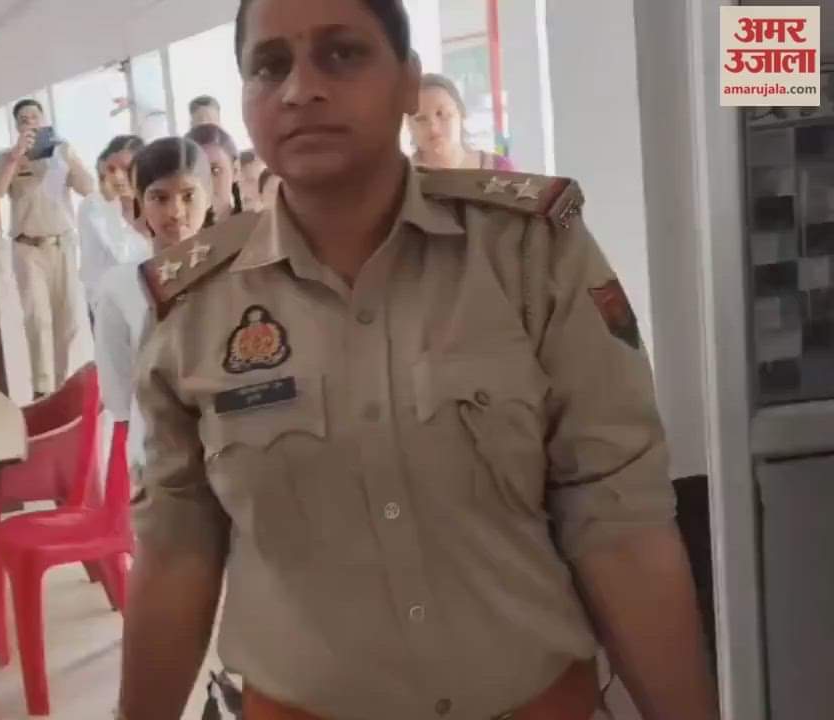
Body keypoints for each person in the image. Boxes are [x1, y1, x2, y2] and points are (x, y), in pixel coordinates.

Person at [118, 1, 720, 719]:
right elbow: (176, 553)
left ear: (408, 82)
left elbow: (619, 521)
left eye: (341, 54)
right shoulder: (194, 306)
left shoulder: (528, 255)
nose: (300, 88)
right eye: (269, 66)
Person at [94, 138, 215, 487]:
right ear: (140, 202)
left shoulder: (239, 273)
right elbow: (118, 395)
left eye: (189, 195)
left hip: (236, 449)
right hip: (158, 459)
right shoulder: (120, 286)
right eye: (159, 198)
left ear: (209, 195)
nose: (176, 212)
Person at [0, 98, 95, 398]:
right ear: (17, 126)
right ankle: (42, 390)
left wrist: (70, 157)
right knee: (38, 320)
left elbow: (88, 189)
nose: (30, 122)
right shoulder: (6, 158)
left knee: (68, 320)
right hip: (27, 248)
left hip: (62, 245)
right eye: (23, 119)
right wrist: (15, 158)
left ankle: (62, 386)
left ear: (45, 120)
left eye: (35, 117)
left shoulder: (61, 154)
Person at [78, 134, 151, 312]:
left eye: (126, 169)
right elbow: (121, 255)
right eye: (111, 169)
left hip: (152, 300)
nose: (118, 177)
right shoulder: (94, 206)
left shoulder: (155, 202)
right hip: (108, 305)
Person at [410, 72, 514, 171]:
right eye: (420, 118)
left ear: (461, 113)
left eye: (441, 113)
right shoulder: (399, 179)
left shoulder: (500, 170)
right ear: (409, 126)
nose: (433, 126)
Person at [186, 123, 243, 224]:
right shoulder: (175, 236)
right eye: (196, 173)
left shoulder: (260, 228)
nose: (205, 182)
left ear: (235, 170)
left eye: (215, 171)